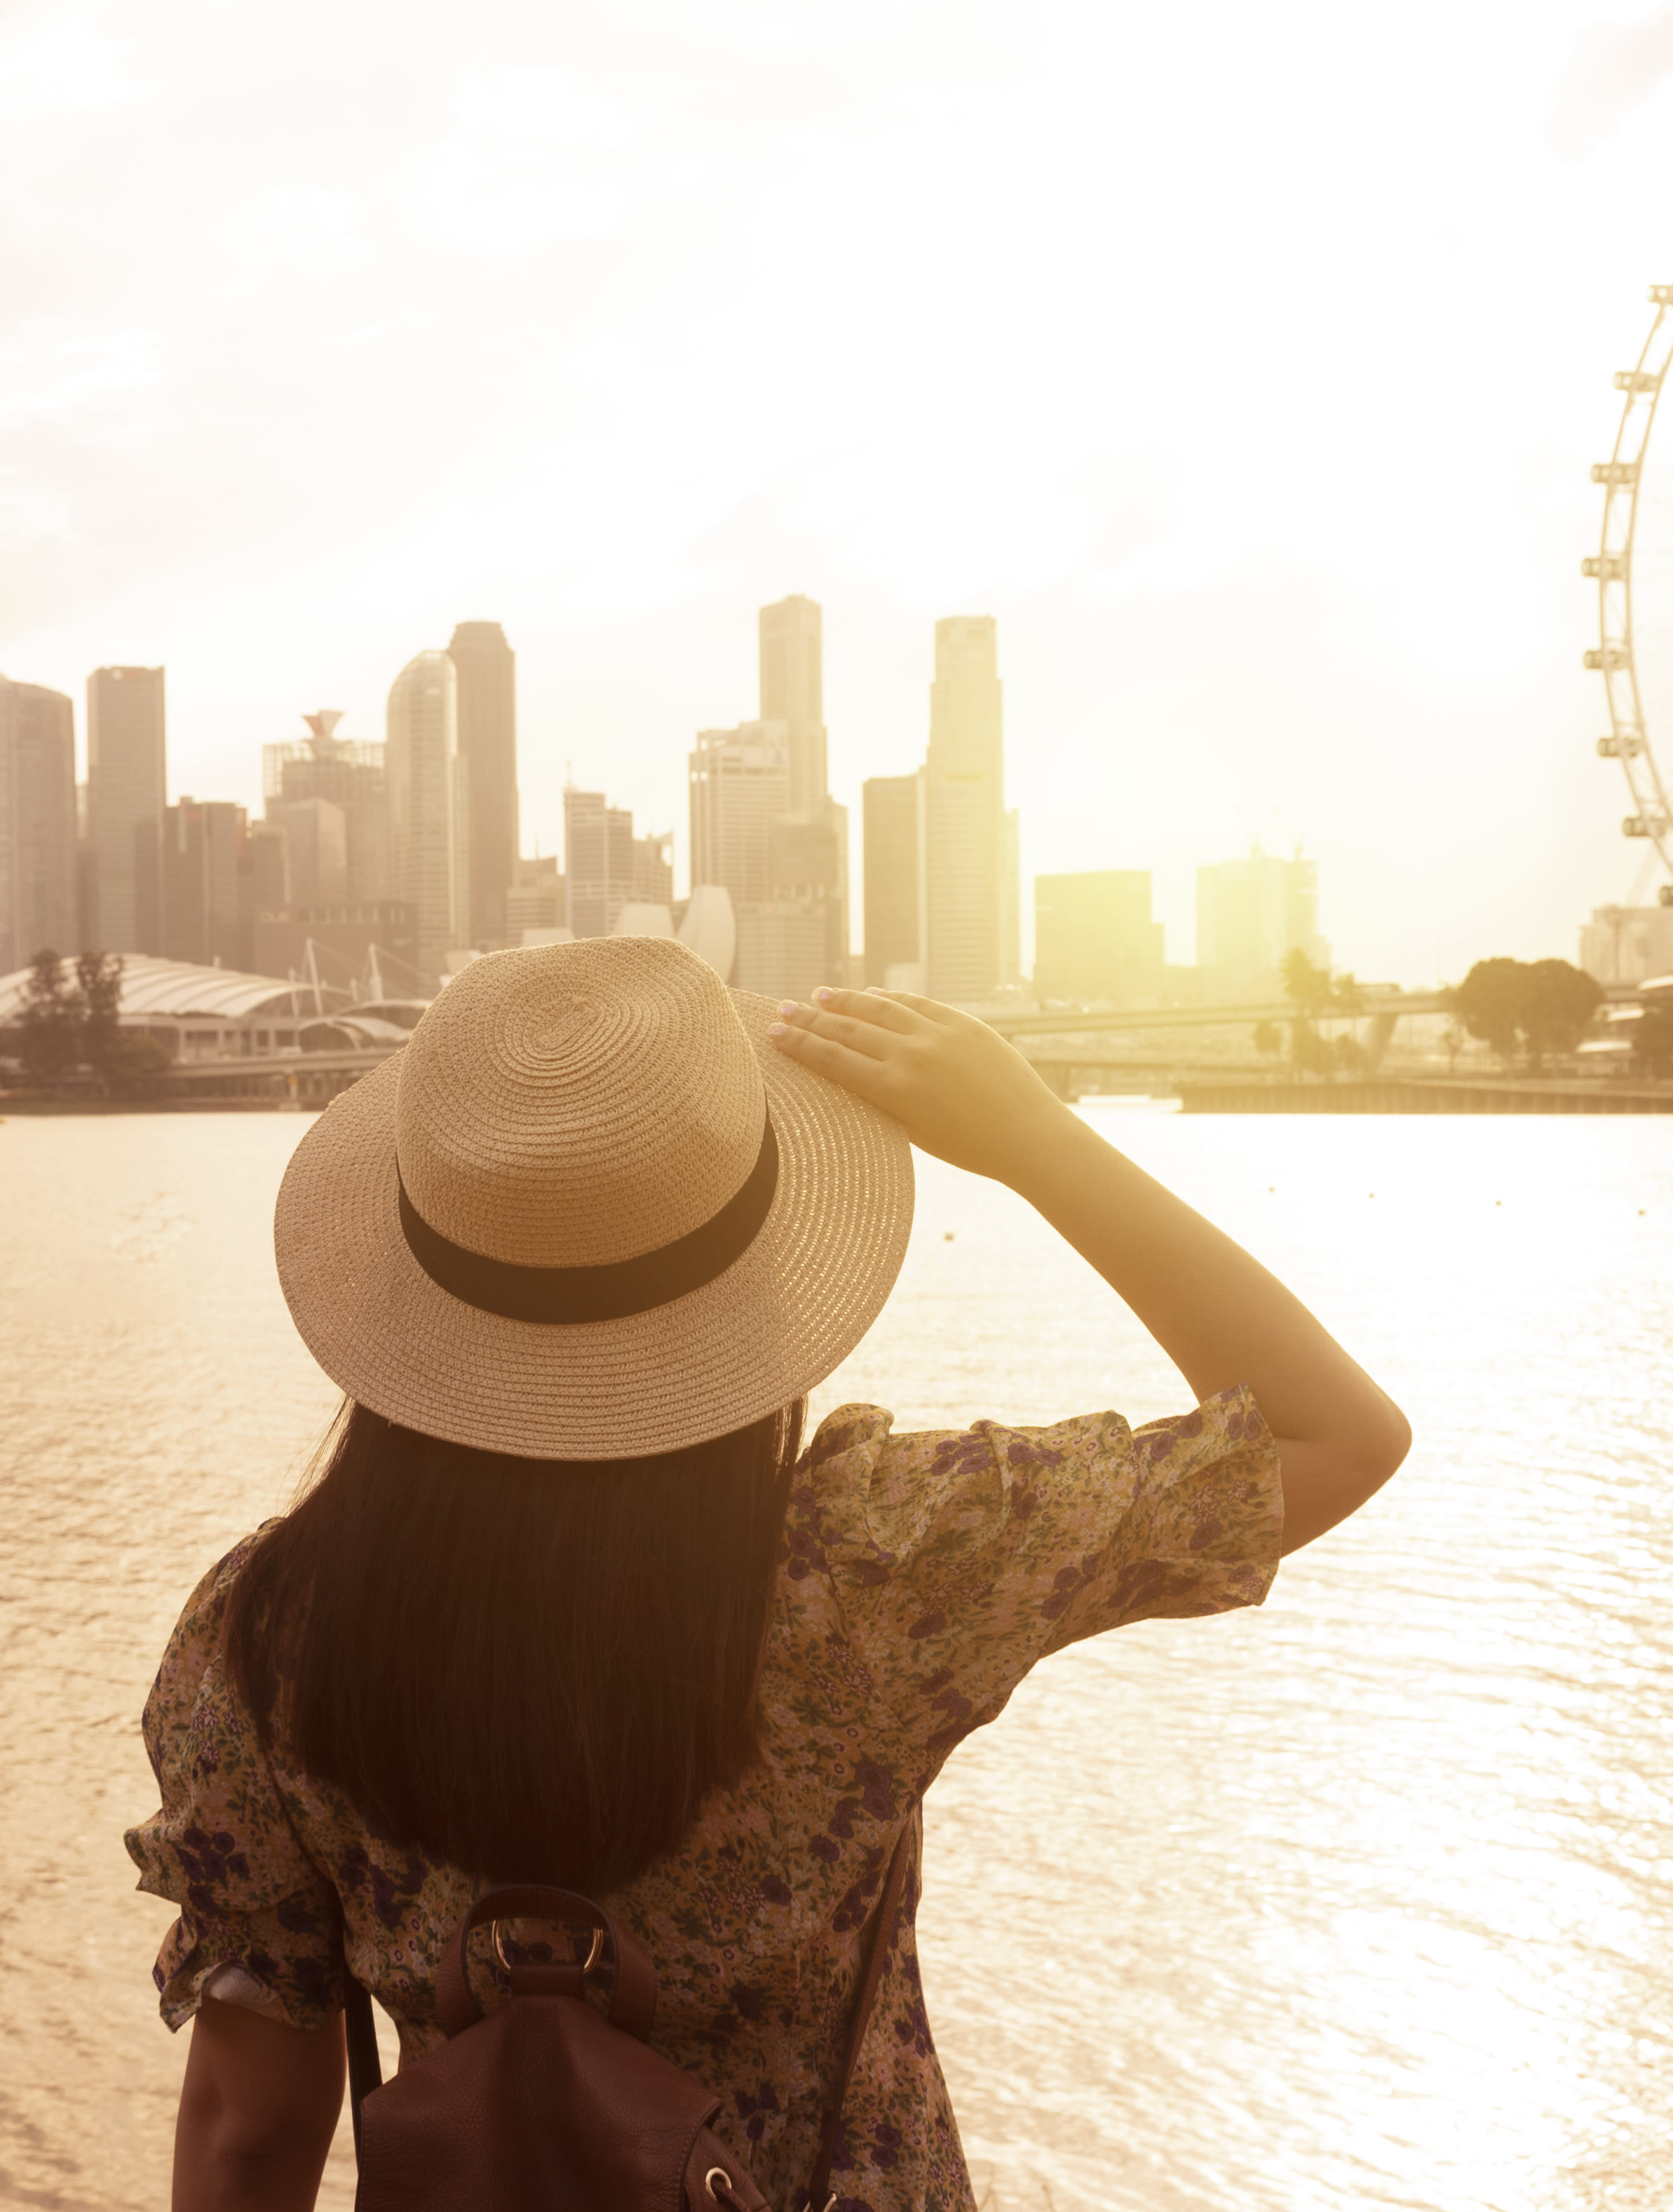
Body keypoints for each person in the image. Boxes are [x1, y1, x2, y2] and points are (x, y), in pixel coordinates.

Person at [129, 935, 1409, 2211]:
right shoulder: (886, 1563)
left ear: (414, 1289)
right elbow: (1338, 1436)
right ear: (760, 1289)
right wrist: (1033, 1138)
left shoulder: (266, 1636)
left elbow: (251, 2130)